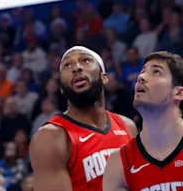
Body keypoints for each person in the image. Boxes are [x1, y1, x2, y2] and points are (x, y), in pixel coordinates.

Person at [29, 46, 137, 191]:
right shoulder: (51, 137)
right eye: (67, 65)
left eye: (85, 61)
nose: (76, 68)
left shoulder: (127, 126)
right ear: (61, 88)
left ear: (104, 77)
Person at [102, 51, 183, 190]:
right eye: (142, 71)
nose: (141, 77)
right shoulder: (119, 163)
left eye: (156, 72)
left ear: (178, 93)